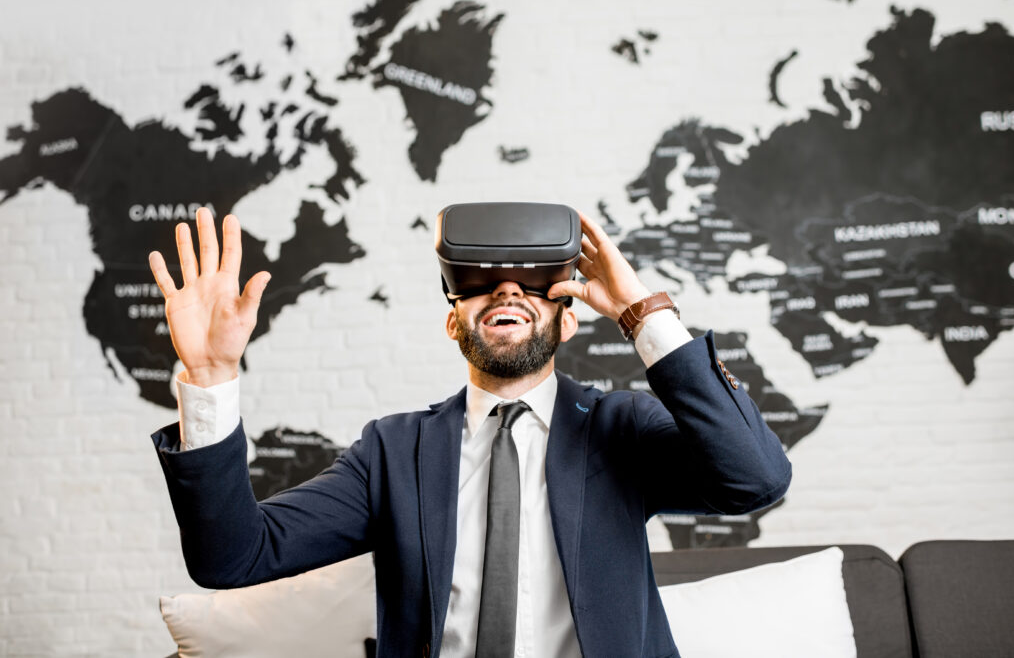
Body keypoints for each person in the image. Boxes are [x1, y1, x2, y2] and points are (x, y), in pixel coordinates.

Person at [149, 206, 791, 658]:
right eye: (479, 283)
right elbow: (233, 557)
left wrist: (642, 313)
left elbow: (756, 481)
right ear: (454, 325)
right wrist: (209, 377)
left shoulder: (621, 429)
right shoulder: (394, 452)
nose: (507, 287)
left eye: (535, 284)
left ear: (567, 324)